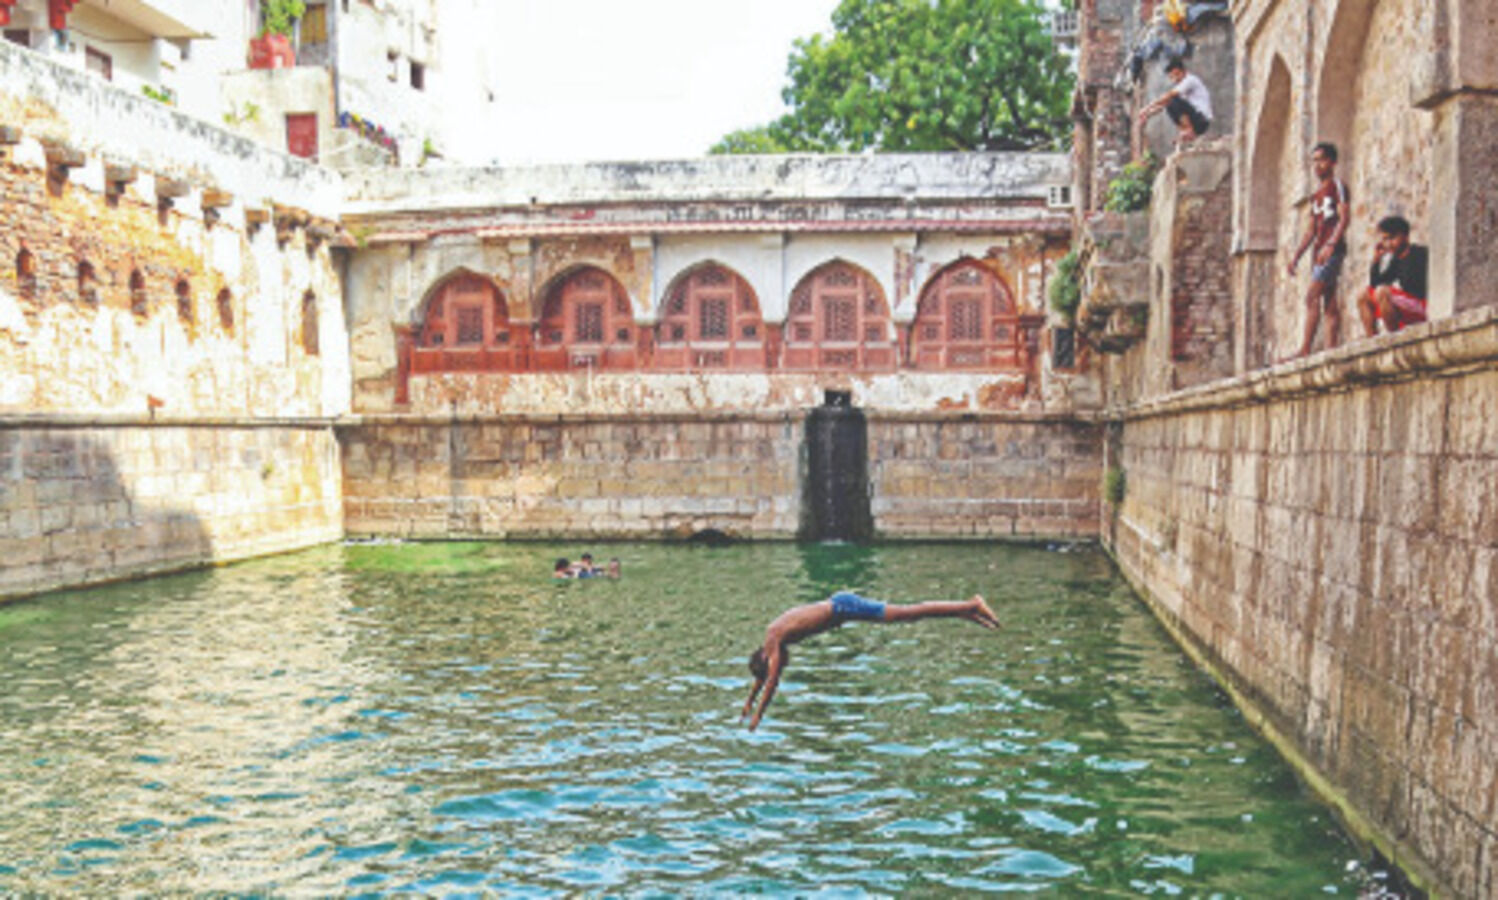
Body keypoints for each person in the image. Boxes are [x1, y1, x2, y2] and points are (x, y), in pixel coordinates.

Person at [741, 591, 1000, 731]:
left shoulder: (774, 642)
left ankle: (971, 605)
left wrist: (758, 716)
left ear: (766, 658)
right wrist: (749, 701)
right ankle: (965, 612)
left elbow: (772, 681)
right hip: (842, 606)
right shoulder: (772, 637)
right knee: (909, 615)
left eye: (781, 663)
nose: (785, 662)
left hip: (845, 608)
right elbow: (764, 677)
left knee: (908, 613)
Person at [1287, 142, 1351, 358]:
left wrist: (1332, 244)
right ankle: (1331, 350)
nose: (1317, 165)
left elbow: (1344, 218)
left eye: (1321, 160)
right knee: (1329, 302)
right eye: (1314, 161)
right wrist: (1297, 255)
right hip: (1319, 252)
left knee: (1311, 296)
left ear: (1332, 162)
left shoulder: (1338, 187)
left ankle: (1305, 349)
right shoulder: (1316, 196)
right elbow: (1311, 230)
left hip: (1331, 251)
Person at [1358, 215, 1428, 335]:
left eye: (1392, 238)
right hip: (1408, 305)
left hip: (1424, 307)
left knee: (1383, 293)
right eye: (1385, 239)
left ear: (1405, 236)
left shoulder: (1420, 254)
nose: (1389, 244)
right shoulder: (1396, 260)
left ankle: (1394, 340)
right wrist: (1376, 261)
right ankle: (1372, 341)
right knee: (1363, 295)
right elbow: (1375, 285)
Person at [1137, 57, 1213, 144]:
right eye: (1172, 76)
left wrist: (1146, 108)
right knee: (1170, 105)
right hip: (1195, 120)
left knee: (1172, 100)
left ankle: (1189, 131)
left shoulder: (1190, 80)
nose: (1175, 78)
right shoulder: (1181, 87)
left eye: (1177, 74)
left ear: (1183, 71)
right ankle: (1186, 133)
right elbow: (1163, 105)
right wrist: (1147, 115)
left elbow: (1169, 96)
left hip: (1202, 120)